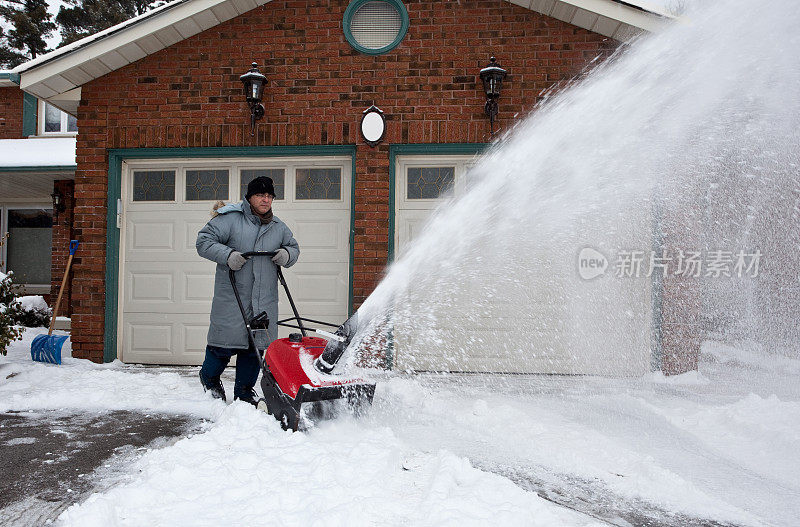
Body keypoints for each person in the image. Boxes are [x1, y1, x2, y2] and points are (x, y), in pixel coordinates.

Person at [195, 176, 299, 404]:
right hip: (232, 297)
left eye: (270, 196)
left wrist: (287, 255)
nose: (266, 200)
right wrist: (228, 255)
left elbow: (293, 247)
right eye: (261, 195)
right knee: (221, 347)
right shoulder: (230, 220)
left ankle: (244, 392)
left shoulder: (278, 227)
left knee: (255, 349)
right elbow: (203, 241)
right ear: (250, 197)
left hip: (264, 300)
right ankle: (209, 378)